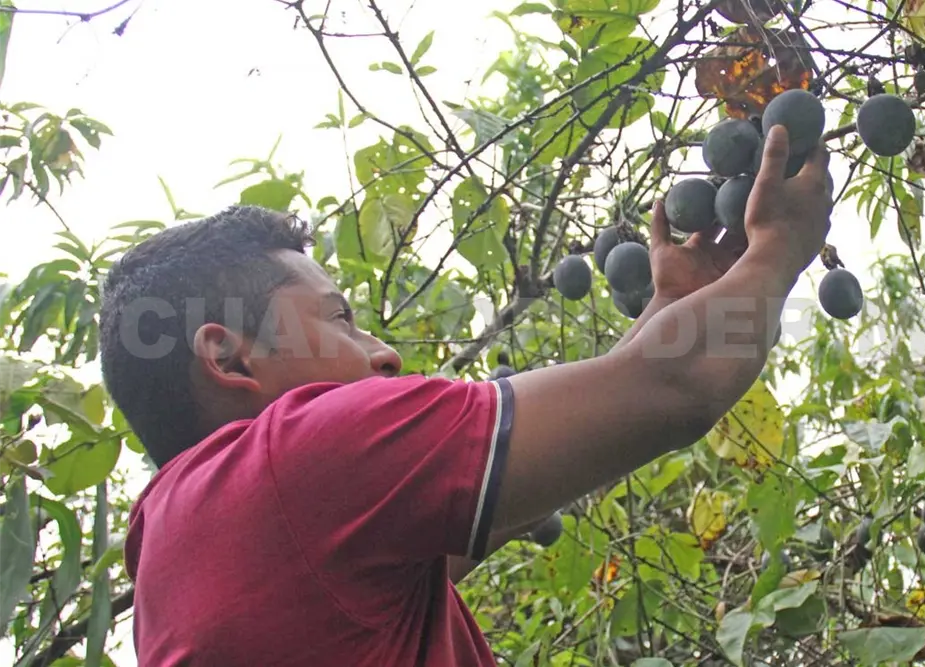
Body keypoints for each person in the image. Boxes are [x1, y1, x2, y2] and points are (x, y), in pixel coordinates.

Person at [100, 125, 830, 666]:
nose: (383, 352)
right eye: (341, 319)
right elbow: (676, 386)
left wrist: (662, 307)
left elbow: (587, 431)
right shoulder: (299, 455)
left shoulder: (183, 553)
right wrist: (779, 246)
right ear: (228, 356)